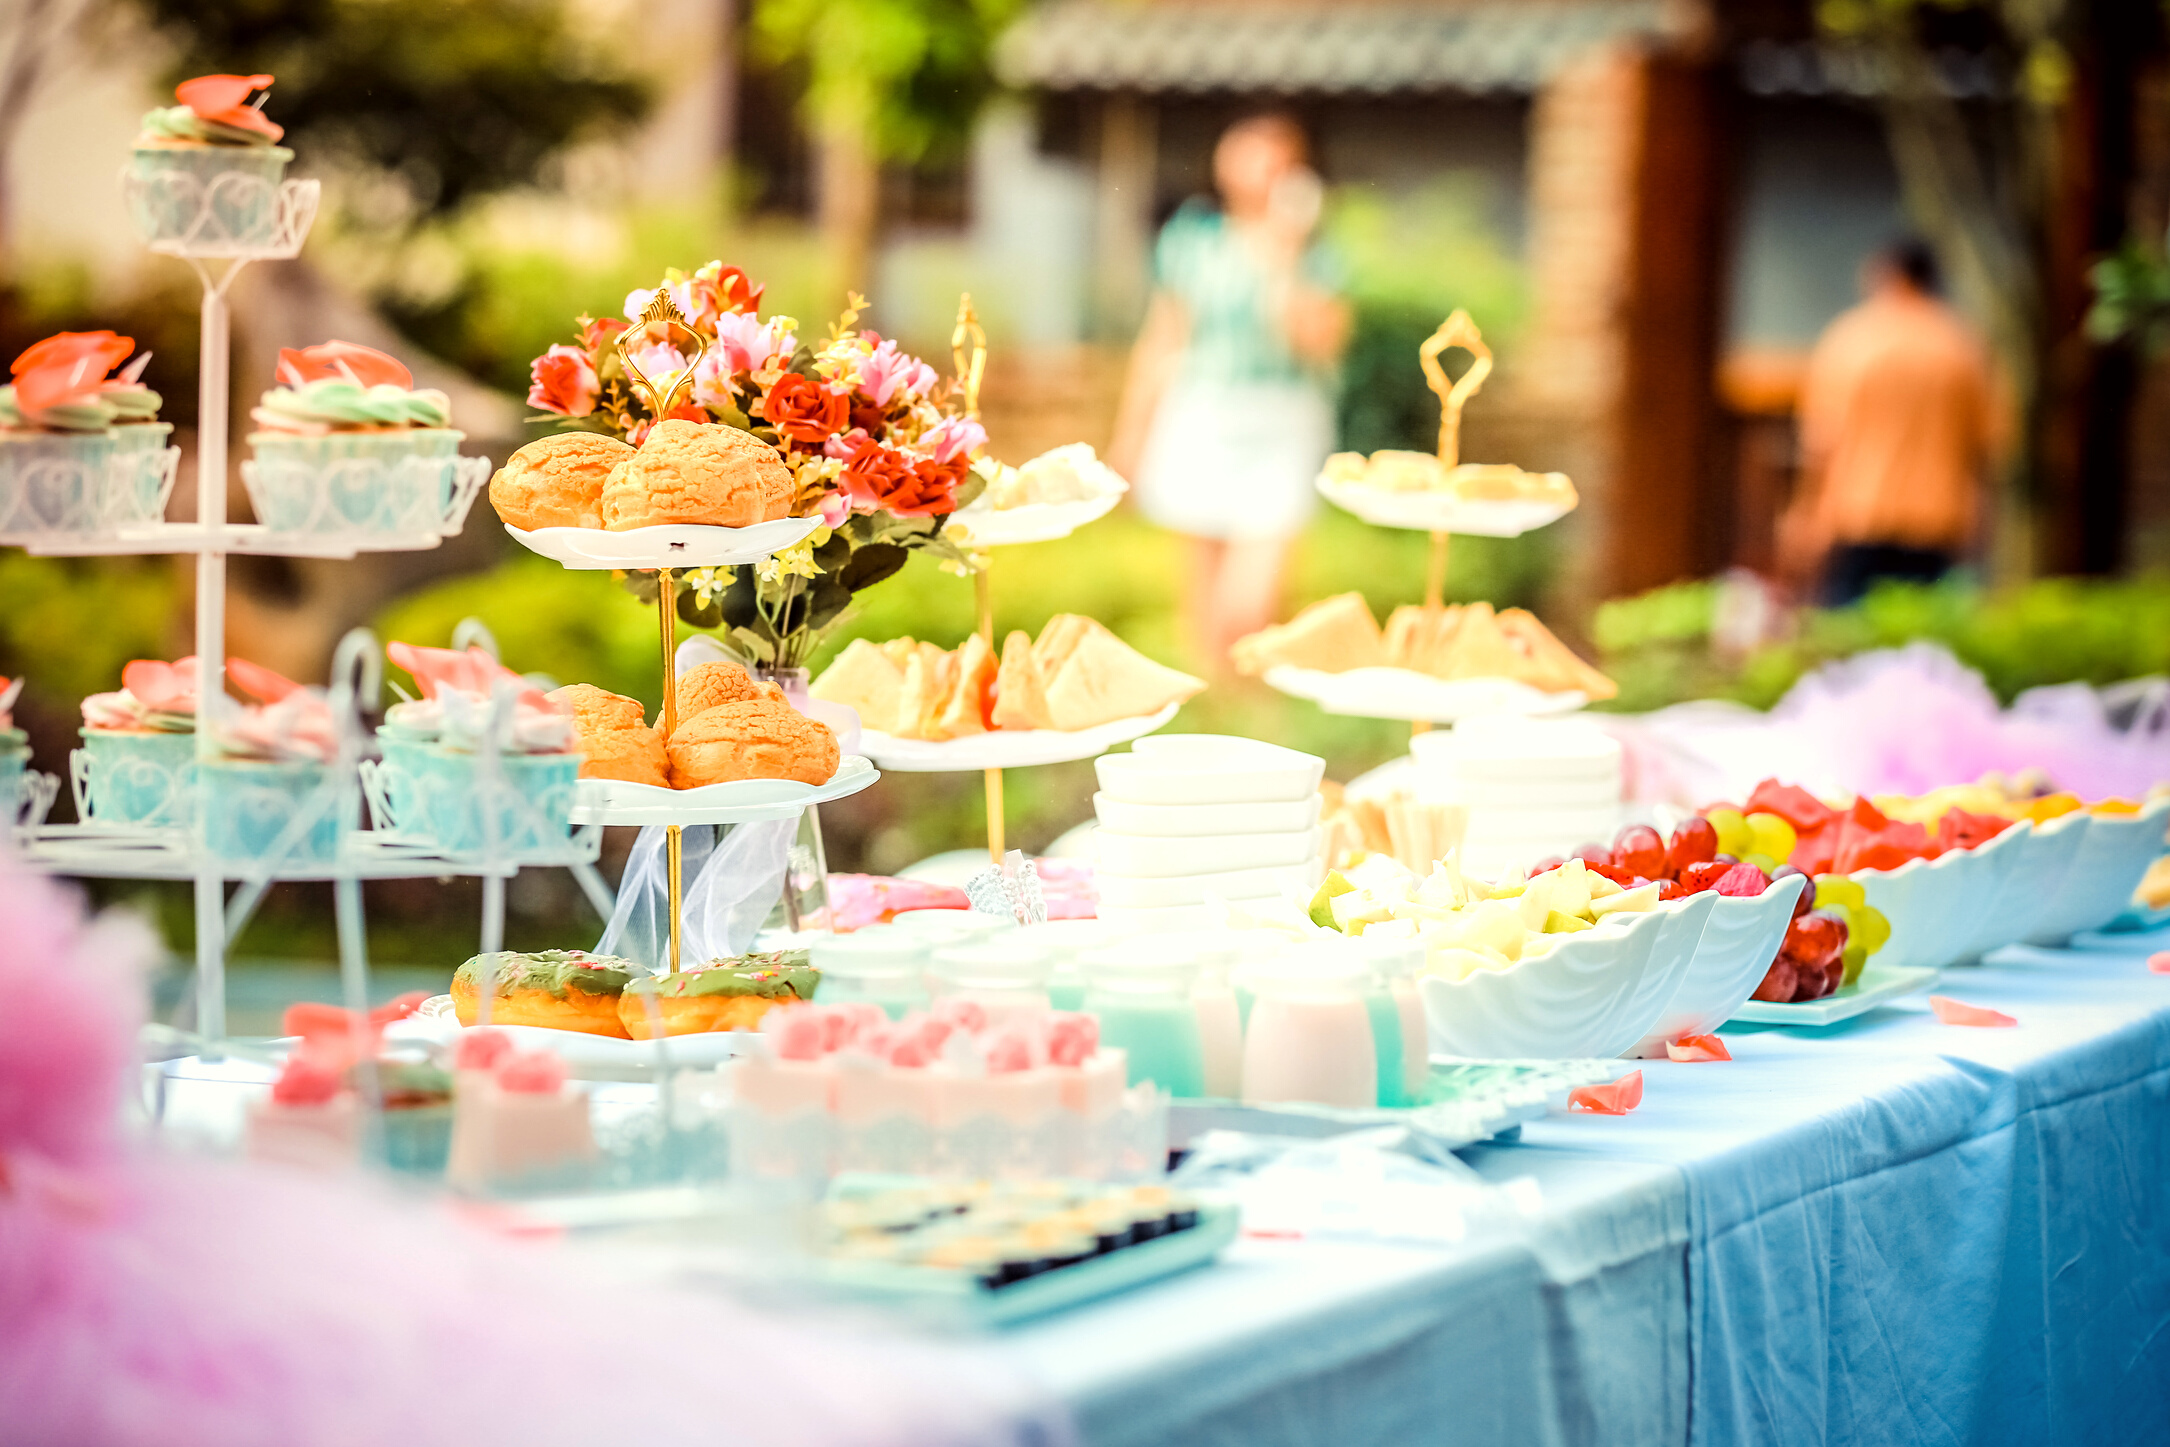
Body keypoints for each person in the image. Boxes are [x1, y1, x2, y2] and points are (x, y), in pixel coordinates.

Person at [1107, 112, 1351, 669]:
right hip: (1203, 413)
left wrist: (1284, 256)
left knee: (1250, 602)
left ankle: (1252, 701)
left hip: (1281, 419)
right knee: (1203, 596)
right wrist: (1130, 439)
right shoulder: (1194, 239)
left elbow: (1318, 343)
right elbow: (1162, 339)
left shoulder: (1316, 254)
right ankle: (1221, 712)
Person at [1780, 238, 2003, 606]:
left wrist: (1805, 512)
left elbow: (1821, 439)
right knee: (1925, 637)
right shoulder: (1963, 345)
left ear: (1890, 276)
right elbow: (1987, 443)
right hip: (1940, 515)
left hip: (1860, 510)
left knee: (1850, 632)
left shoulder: (1853, 339)